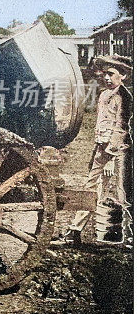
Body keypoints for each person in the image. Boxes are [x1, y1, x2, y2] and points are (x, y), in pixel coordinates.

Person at [57, 54, 133, 247]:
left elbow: (121, 128)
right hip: (101, 149)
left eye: (111, 74)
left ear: (123, 75)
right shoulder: (104, 95)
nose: (106, 78)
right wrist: (98, 153)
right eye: (105, 74)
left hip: (118, 153)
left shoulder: (124, 97)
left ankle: (131, 236)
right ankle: (75, 230)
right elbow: (101, 126)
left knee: (122, 193)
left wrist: (110, 158)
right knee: (91, 190)